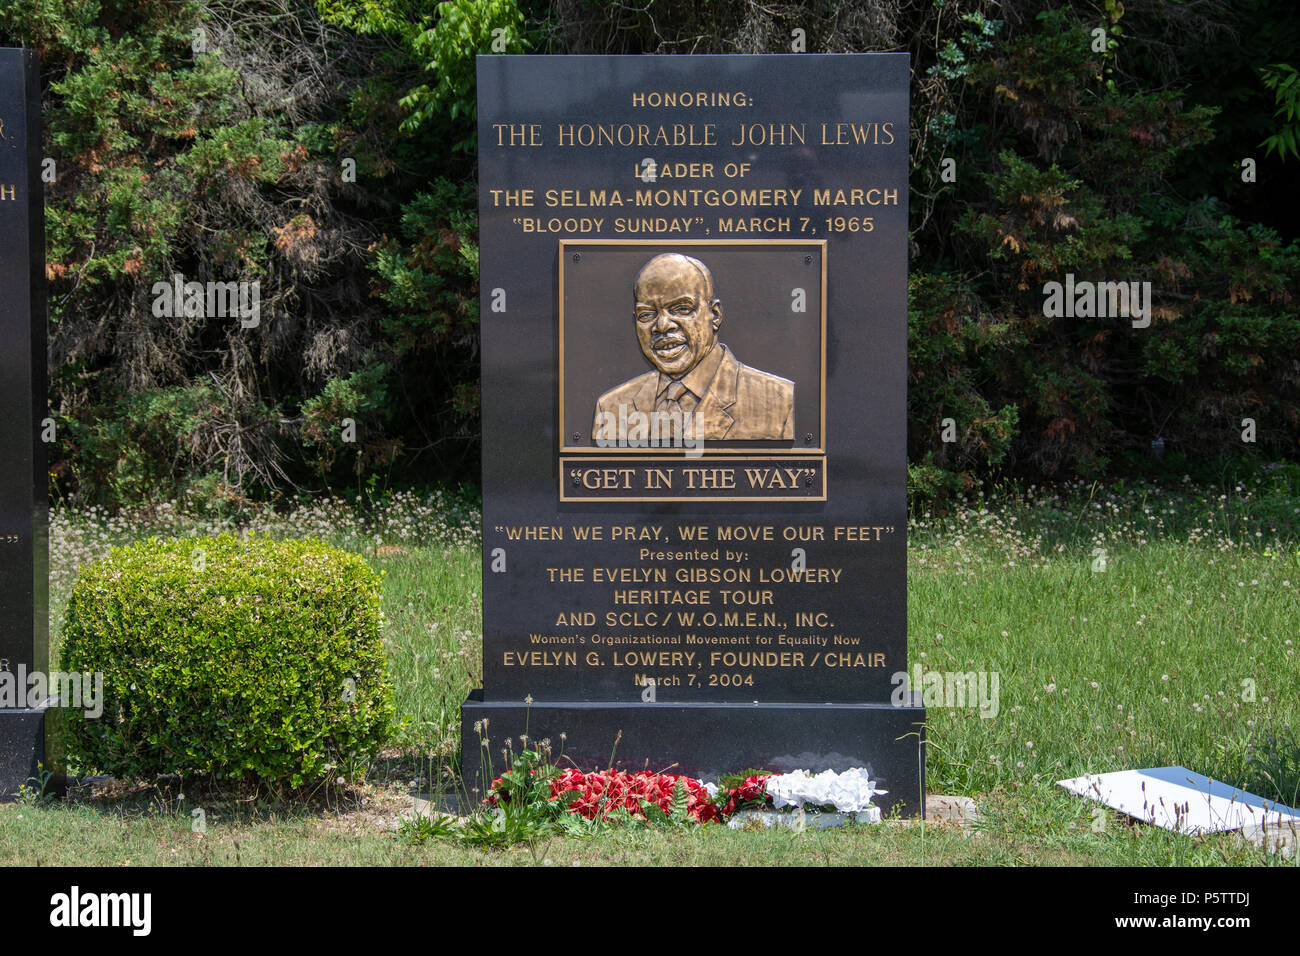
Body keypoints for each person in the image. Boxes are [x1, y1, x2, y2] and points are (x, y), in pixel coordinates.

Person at [592, 253, 794, 443]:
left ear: (714, 315)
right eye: (647, 315)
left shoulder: (780, 403)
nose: (662, 325)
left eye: (681, 309)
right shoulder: (611, 407)